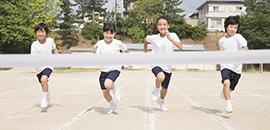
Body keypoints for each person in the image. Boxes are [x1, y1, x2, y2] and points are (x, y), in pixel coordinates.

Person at [144, 16, 183, 112]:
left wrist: (170, 39)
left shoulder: (173, 35)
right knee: (160, 77)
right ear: (157, 26)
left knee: (165, 88)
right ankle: (156, 89)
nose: (162, 26)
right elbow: (146, 39)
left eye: (164, 25)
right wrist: (145, 52)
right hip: (155, 63)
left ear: (168, 26)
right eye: (160, 25)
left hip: (167, 66)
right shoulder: (154, 37)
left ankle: (161, 101)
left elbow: (180, 47)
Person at [93, 23, 132, 113]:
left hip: (115, 68)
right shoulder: (99, 43)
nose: (108, 35)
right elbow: (96, 57)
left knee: (108, 84)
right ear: (103, 33)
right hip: (104, 70)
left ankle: (115, 91)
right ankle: (112, 105)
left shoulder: (117, 43)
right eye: (106, 33)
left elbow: (126, 50)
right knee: (105, 92)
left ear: (114, 33)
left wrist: (129, 62)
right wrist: (95, 51)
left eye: (111, 33)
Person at [219, 15, 248, 113]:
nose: (233, 29)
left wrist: (241, 53)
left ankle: (225, 92)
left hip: (236, 67)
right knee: (226, 82)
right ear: (226, 27)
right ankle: (228, 105)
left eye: (235, 28)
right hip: (225, 65)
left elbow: (245, 47)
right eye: (231, 27)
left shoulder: (238, 37)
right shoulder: (221, 41)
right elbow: (221, 53)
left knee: (230, 88)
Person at [31, 23, 59, 108]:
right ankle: (47, 95)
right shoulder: (34, 45)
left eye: (42, 32)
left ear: (46, 33)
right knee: (43, 83)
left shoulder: (50, 40)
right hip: (38, 67)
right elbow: (33, 58)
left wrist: (58, 58)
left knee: (44, 79)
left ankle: (43, 99)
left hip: (48, 65)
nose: (40, 34)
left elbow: (54, 49)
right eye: (38, 32)